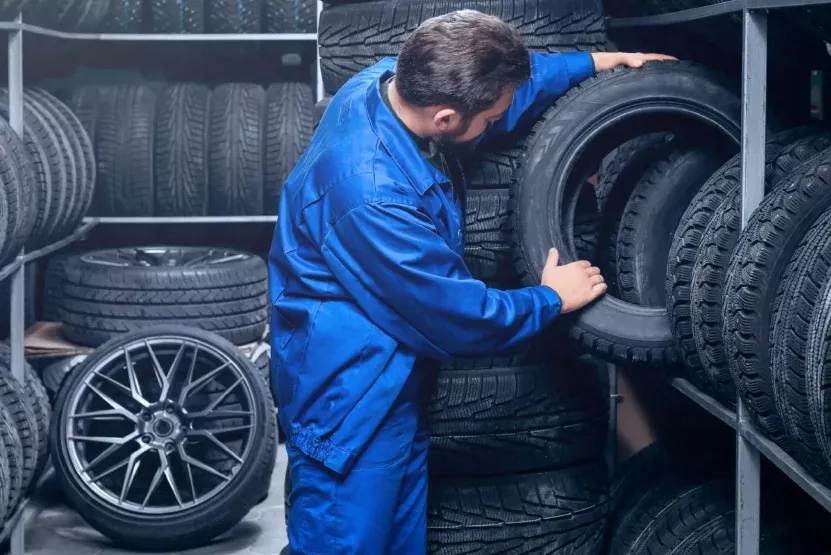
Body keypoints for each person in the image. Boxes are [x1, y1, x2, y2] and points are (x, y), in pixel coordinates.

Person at [268, 9, 673, 555]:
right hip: (349, 400)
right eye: (488, 119)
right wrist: (553, 298)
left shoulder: (384, 82)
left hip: (390, 382)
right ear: (445, 119)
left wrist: (596, 63)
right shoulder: (373, 195)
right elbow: (457, 317)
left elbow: (503, 91)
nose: (495, 126)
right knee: (345, 544)